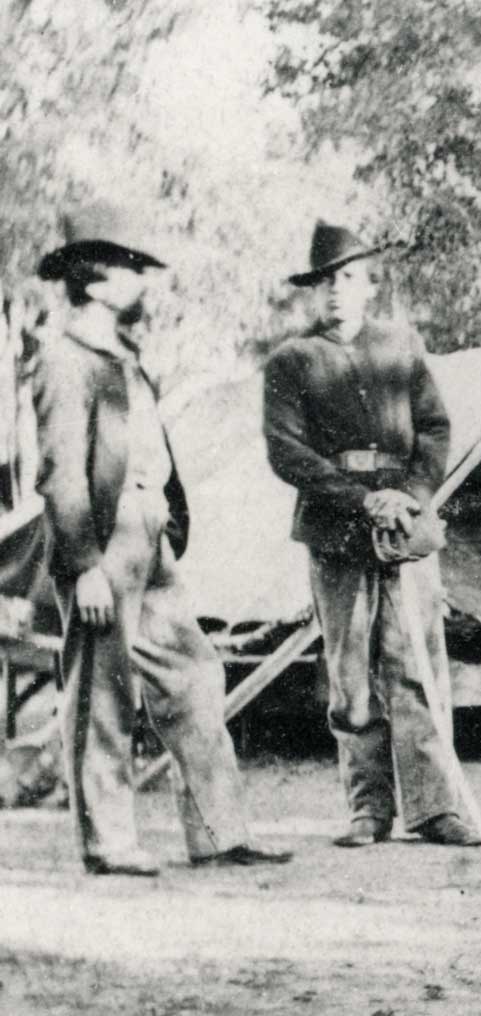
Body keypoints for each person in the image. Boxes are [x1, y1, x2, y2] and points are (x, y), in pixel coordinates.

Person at [33, 204, 291, 875]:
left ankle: (219, 832)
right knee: (103, 691)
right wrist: (84, 563)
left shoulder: (123, 356)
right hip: (103, 540)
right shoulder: (64, 360)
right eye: (128, 267)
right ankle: (109, 843)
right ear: (92, 279)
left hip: (149, 535)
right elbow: (60, 473)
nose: (141, 280)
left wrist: (166, 522)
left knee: (194, 673)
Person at [264, 222, 480, 847]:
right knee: (351, 672)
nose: (337, 291)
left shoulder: (402, 346)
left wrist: (409, 499)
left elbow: (436, 428)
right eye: (325, 281)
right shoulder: (291, 361)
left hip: (406, 528)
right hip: (336, 529)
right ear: (312, 291)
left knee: (417, 663)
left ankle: (437, 807)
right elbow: (287, 452)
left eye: (349, 278)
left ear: (368, 285)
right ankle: (367, 809)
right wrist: (362, 502)